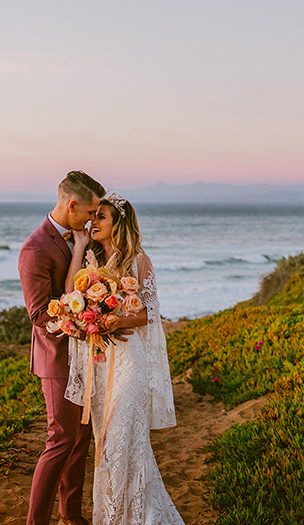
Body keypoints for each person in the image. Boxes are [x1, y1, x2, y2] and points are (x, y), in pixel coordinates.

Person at [64, 194, 184, 525]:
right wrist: (78, 248)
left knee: (120, 442)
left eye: (101, 217)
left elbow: (149, 314)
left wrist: (115, 321)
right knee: (106, 447)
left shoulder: (138, 261)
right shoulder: (91, 261)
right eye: (94, 217)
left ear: (118, 224)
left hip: (129, 363)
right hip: (102, 367)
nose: (94, 223)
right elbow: (69, 296)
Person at [19, 170, 107, 525]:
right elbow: (40, 314)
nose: (92, 219)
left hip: (86, 354)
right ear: (72, 205)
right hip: (56, 358)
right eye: (89, 212)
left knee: (81, 437)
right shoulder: (35, 248)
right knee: (60, 439)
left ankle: (70, 514)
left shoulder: (84, 240)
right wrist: (81, 317)